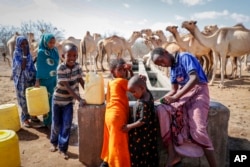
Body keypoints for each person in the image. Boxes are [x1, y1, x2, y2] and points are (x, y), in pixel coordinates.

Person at [151, 47, 217, 167]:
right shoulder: (172, 69)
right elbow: (173, 90)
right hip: (183, 95)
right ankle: (173, 154)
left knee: (198, 130)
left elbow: (194, 79)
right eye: (159, 64)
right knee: (162, 110)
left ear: (166, 53)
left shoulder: (184, 57)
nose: (162, 64)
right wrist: (158, 101)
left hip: (198, 91)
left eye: (161, 60)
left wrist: (176, 97)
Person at [49, 43, 86, 159]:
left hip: (69, 102)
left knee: (66, 124)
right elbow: (67, 87)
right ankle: (53, 142)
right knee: (56, 124)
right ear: (62, 56)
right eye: (69, 55)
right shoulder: (60, 68)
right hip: (57, 101)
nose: (72, 58)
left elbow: (81, 81)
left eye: (74, 56)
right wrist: (79, 99)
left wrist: (90, 93)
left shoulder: (78, 67)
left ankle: (62, 148)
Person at [100, 58, 133, 167]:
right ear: (112, 71)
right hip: (117, 116)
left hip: (109, 115)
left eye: (124, 70)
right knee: (119, 144)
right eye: (120, 70)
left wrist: (128, 71)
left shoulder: (110, 83)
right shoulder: (121, 81)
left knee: (111, 141)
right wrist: (131, 71)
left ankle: (105, 162)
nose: (123, 72)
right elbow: (134, 85)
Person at [122, 75, 158, 167]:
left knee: (139, 155)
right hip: (149, 134)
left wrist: (129, 126)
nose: (133, 95)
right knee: (148, 155)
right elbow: (145, 87)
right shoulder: (148, 94)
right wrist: (144, 81)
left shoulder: (143, 103)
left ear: (142, 88)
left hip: (142, 136)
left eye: (134, 92)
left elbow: (142, 120)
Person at [12, 36, 38, 127]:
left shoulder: (29, 54)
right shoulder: (16, 53)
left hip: (30, 78)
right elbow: (21, 67)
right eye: (22, 44)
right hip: (21, 81)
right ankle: (25, 119)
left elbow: (30, 66)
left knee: (31, 97)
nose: (24, 45)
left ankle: (33, 115)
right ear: (18, 45)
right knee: (23, 99)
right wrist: (25, 55)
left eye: (26, 43)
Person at [35, 33, 60, 128]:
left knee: (55, 100)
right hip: (44, 81)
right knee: (46, 101)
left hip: (54, 79)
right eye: (50, 42)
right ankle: (47, 122)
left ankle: (54, 120)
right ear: (45, 41)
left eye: (53, 42)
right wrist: (37, 80)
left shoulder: (55, 50)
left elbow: (57, 63)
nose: (52, 44)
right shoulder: (41, 52)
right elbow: (39, 67)